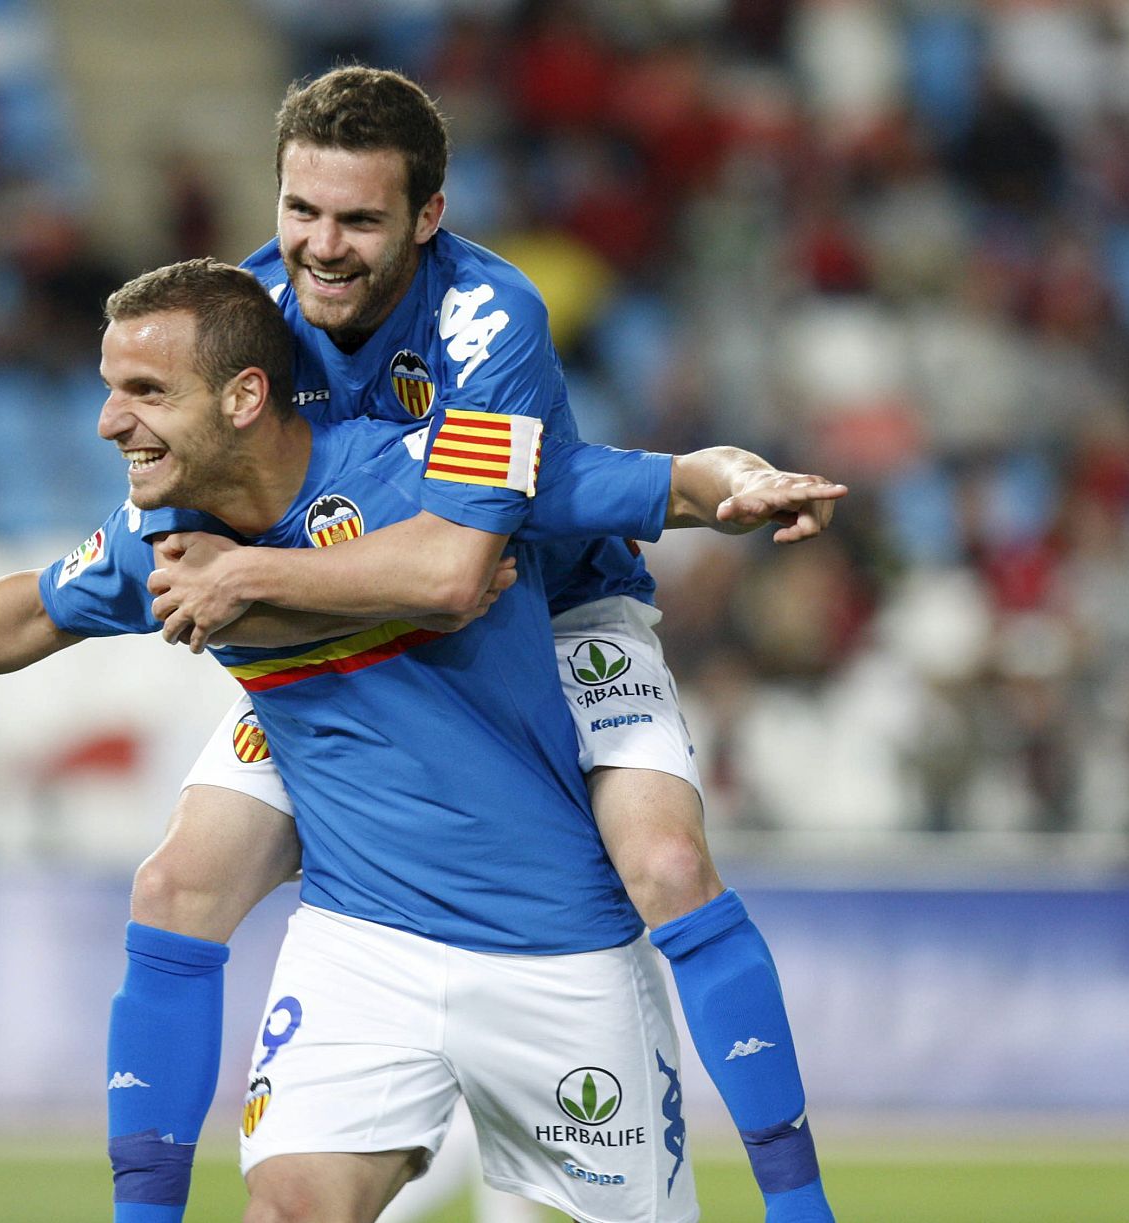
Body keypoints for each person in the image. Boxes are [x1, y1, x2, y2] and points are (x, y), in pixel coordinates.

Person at [0, 260, 843, 1222]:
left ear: (239, 398)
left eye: (142, 390)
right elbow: (30, 608)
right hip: (359, 944)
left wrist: (732, 482)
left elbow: (622, 482)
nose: (108, 418)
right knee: (276, 1178)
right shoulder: (162, 536)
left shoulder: (434, 470)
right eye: (107, 383)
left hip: (556, 959)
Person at [113, 68, 836, 1223]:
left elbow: (490, 540)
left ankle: (800, 1206)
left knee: (664, 865)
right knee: (177, 878)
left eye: (358, 219)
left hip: (553, 608)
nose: (322, 244)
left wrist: (713, 480)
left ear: (427, 214)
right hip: (359, 625)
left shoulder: (488, 313)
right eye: (302, 211)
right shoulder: (247, 317)